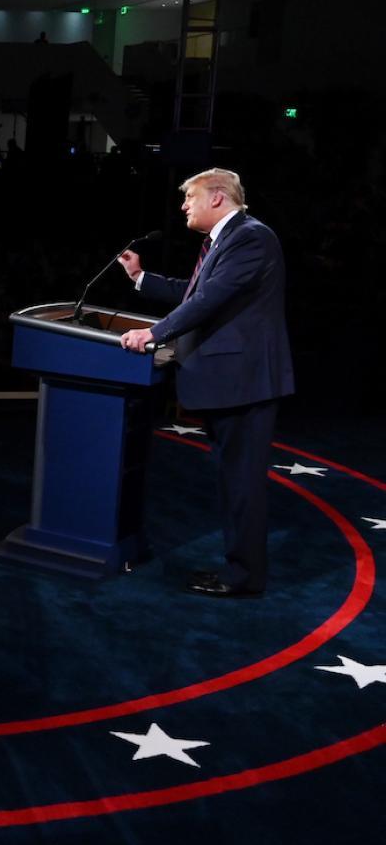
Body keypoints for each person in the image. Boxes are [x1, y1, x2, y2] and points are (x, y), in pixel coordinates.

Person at [117, 168, 294, 597]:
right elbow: (196, 293)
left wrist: (154, 333)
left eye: (190, 197)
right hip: (231, 384)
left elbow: (209, 299)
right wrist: (141, 278)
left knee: (242, 484)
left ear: (216, 197)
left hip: (245, 383)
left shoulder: (251, 238)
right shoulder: (225, 240)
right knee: (234, 482)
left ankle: (244, 577)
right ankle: (238, 570)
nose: (183, 206)